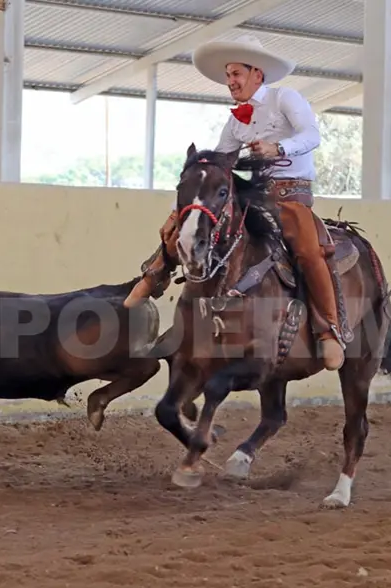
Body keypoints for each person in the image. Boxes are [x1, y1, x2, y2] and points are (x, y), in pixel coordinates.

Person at [126, 34, 344, 371]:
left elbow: (312, 135)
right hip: (250, 193)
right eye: (228, 75)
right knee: (190, 222)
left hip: (290, 193)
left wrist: (278, 149)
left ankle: (328, 329)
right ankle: (155, 274)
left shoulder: (286, 98)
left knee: (307, 248)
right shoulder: (235, 120)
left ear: (257, 73)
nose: (231, 82)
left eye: (236, 74)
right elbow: (221, 162)